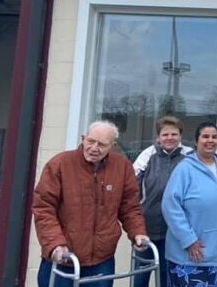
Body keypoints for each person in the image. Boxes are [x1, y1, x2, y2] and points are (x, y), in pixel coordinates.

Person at [33, 120, 148, 287]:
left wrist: (138, 232)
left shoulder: (122, 167)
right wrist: (55, 244)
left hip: (101, 260)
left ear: (113, 145)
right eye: (90, 141)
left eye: (102, 144)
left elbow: (129, 207)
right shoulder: (59, 164)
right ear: (83, 138)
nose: (94, 148)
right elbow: (43, 208)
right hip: (64, 257)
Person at [161, 121, 217, 286]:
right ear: (196, 141)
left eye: (214, 137)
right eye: (205, 136)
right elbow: (170, 206)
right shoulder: (184, 169)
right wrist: (188, 239)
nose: (210, 140)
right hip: (189, 258)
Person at [132, 115, 193, 287]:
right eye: (165, 135)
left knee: (167, 277)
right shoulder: (147, 155)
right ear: (158, 137)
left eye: (174, 134)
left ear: (180, 136)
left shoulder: (189, 156)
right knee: (140, 276)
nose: (170, 138)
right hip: (146, 228)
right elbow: (131, 187)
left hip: (175, 230)